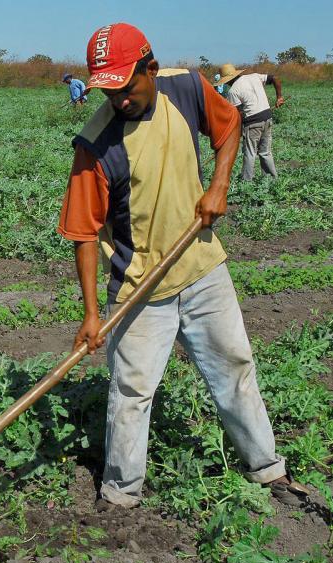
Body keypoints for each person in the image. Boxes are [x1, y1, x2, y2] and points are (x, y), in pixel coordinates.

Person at [58, 22, 309, 509]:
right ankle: (120, 493)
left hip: (201, 268)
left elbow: (231, 125)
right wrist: (91, 314)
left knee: (234, 368)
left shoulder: (187, 87)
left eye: (126, 87)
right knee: (131, 393)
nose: (118, 99)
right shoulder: (95, 145)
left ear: (150, 69)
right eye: (108, 91)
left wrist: (219, 186)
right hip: (138, 289)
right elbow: (83, 235)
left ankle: (266, 467)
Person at [213, 63, 284, 181]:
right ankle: (271, 179)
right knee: (265, 152)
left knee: (250, 152)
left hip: (253, 123)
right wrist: (279, 97)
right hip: (267, 118)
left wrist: (236, 132)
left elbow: (238, 115)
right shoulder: (254, 76)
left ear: (227, 80)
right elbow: (275, 78)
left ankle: (247, 181)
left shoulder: (233, 91)